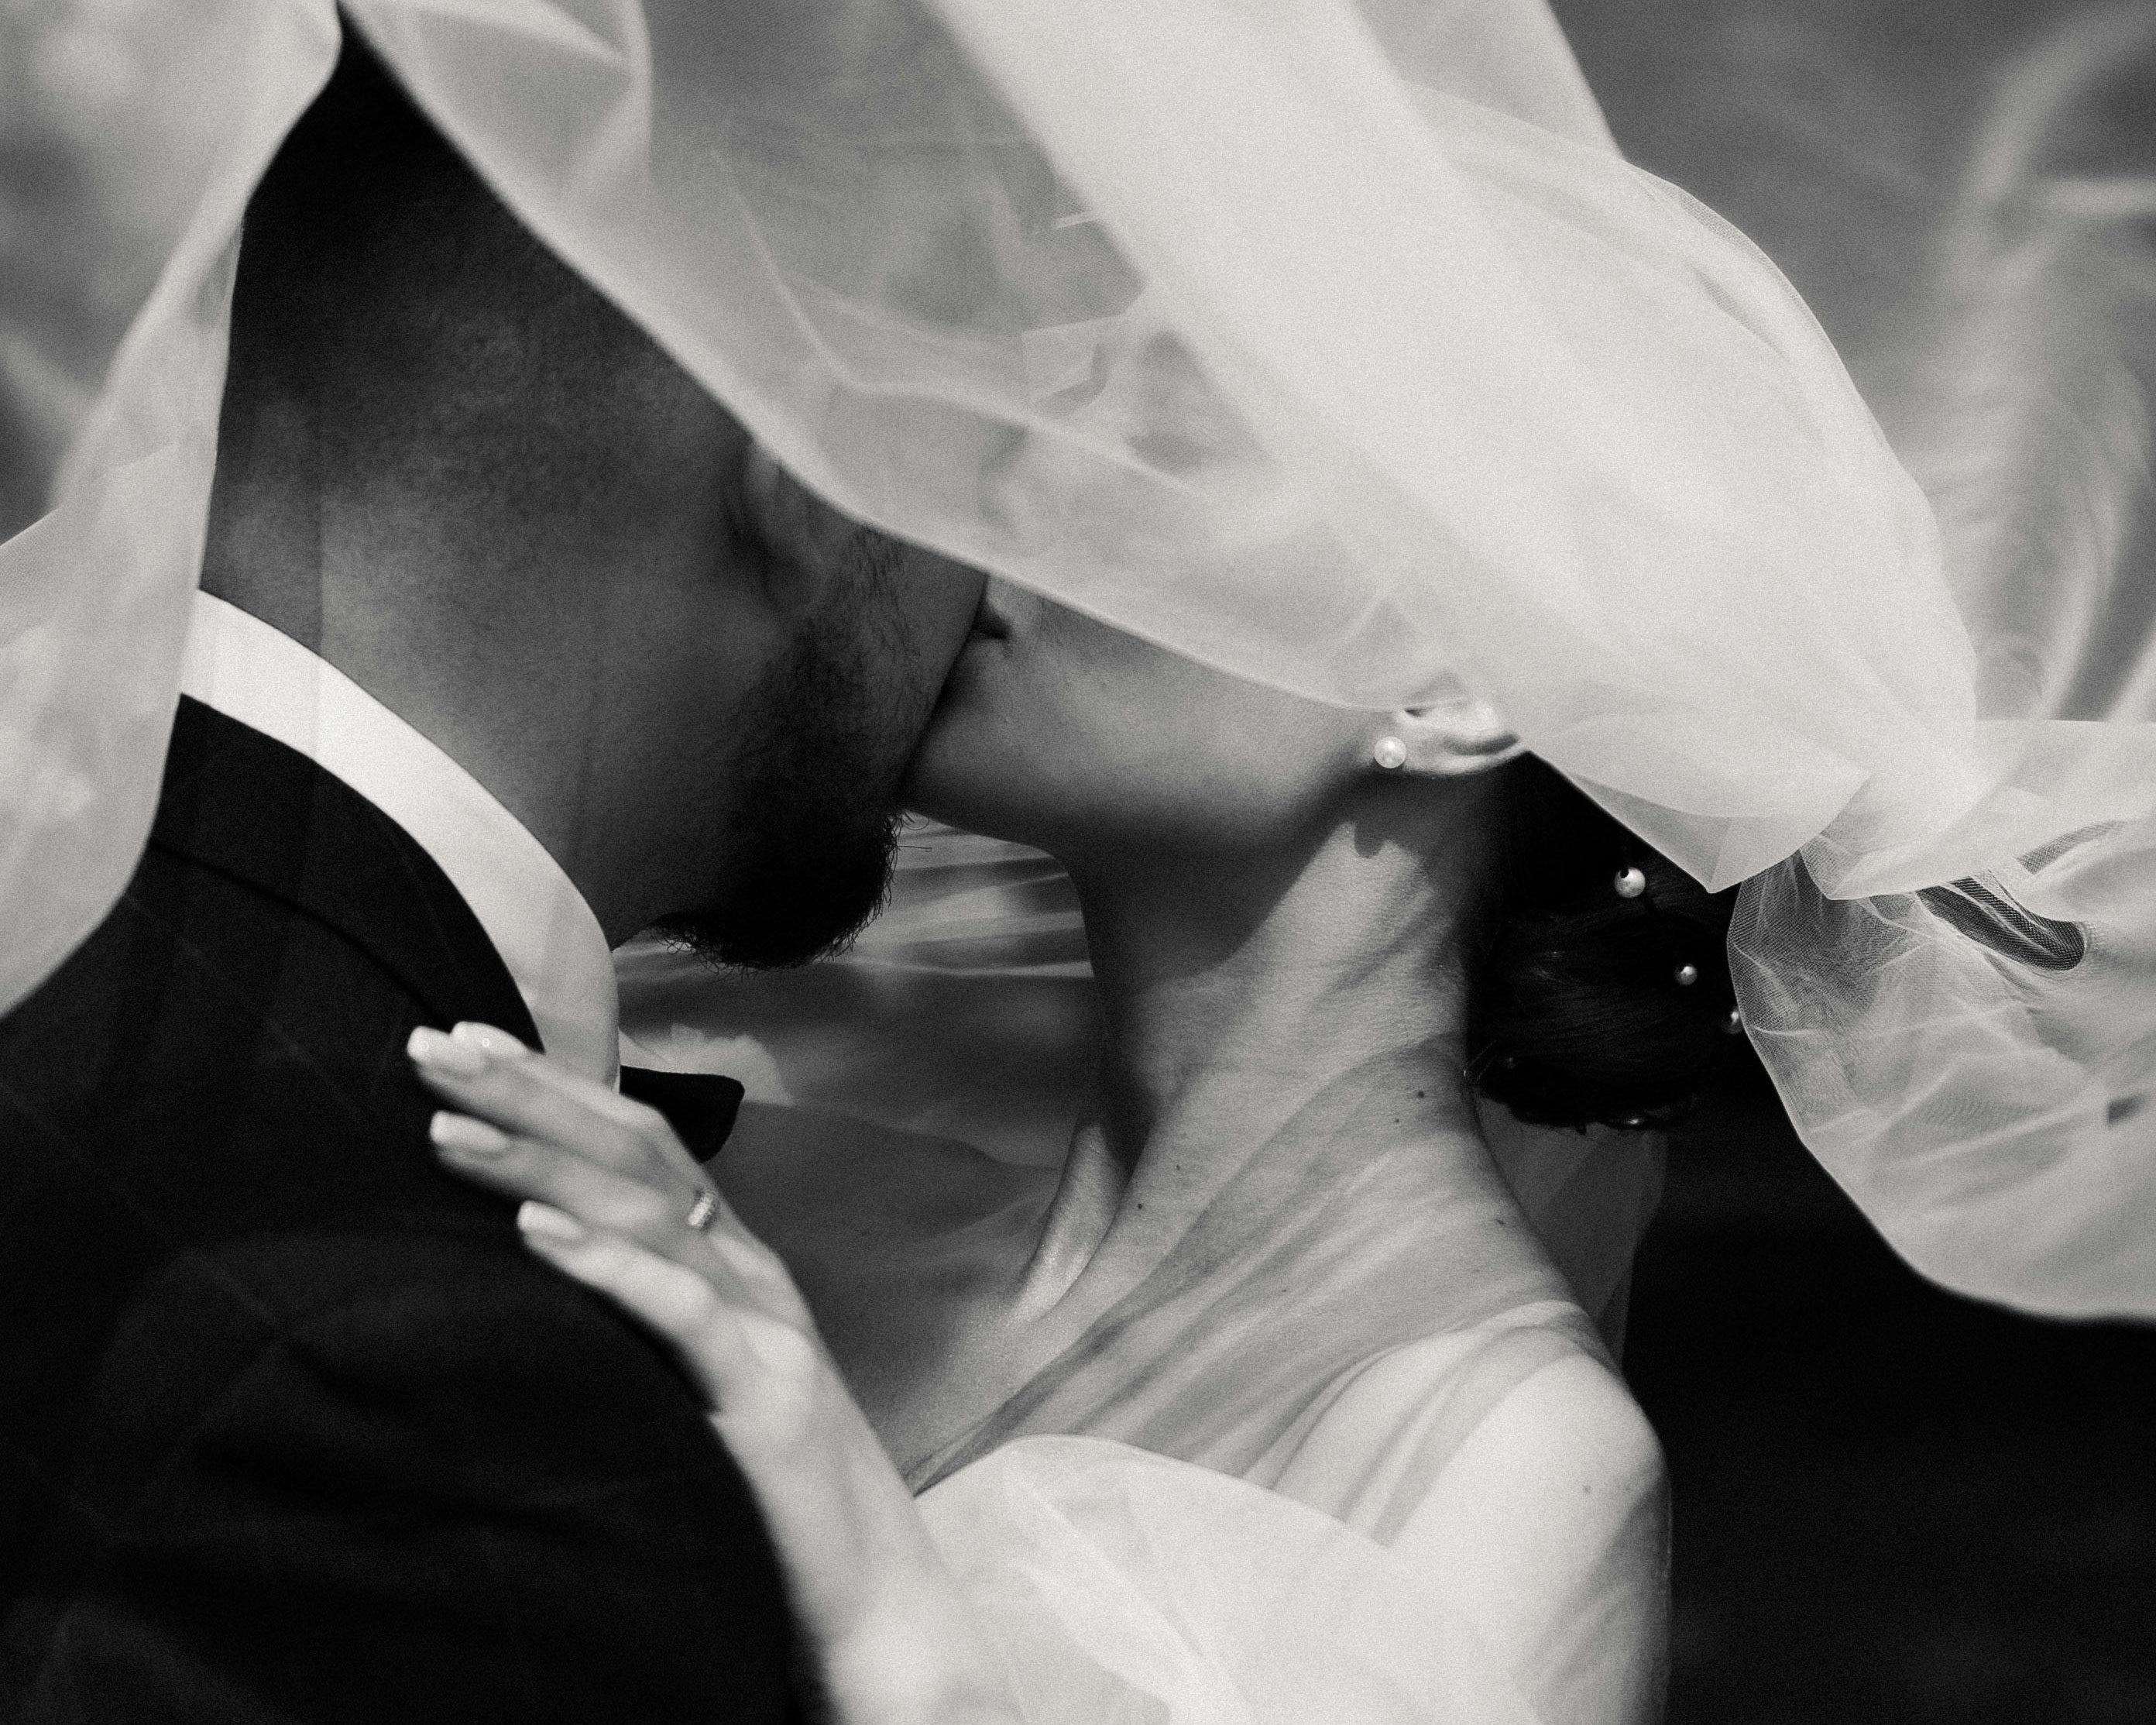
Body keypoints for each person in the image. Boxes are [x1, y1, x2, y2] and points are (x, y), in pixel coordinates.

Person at [0, 32, 981, 1722]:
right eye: (989, 465)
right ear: (805, 459)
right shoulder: (437, 1391)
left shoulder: (69, 920)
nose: (1000, 588)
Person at [418, 575, 1684, 1722]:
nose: (997, 518)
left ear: (1450, 694)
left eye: (1160, 463)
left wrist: (880, 1608)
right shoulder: (767, 1190)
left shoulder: (1512, 1453)